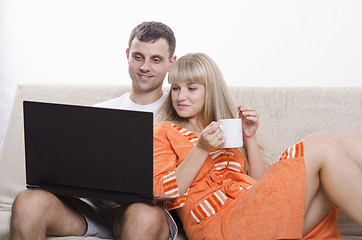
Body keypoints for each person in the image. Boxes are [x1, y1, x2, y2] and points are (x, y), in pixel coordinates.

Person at [153, 52, 362, 239]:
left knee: (350, 141)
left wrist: (249, 138)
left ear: (211, 91)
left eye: (191, 88)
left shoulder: (227, 130)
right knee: (321, 146)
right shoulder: (164, 132)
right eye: (176, 88)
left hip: (255, 215)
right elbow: (162, 193)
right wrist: (200, 149)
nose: (181, 97)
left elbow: (261, 185)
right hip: (220, 225)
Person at [10, 21, 177, 240]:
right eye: (138, 57)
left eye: (156, 60)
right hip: (90, 210)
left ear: (171, 63)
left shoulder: (179, 113)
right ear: (127, 55)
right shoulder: (100, 112)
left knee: (142, 216)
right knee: (27, 201)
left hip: (141, 212)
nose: (145, 67)